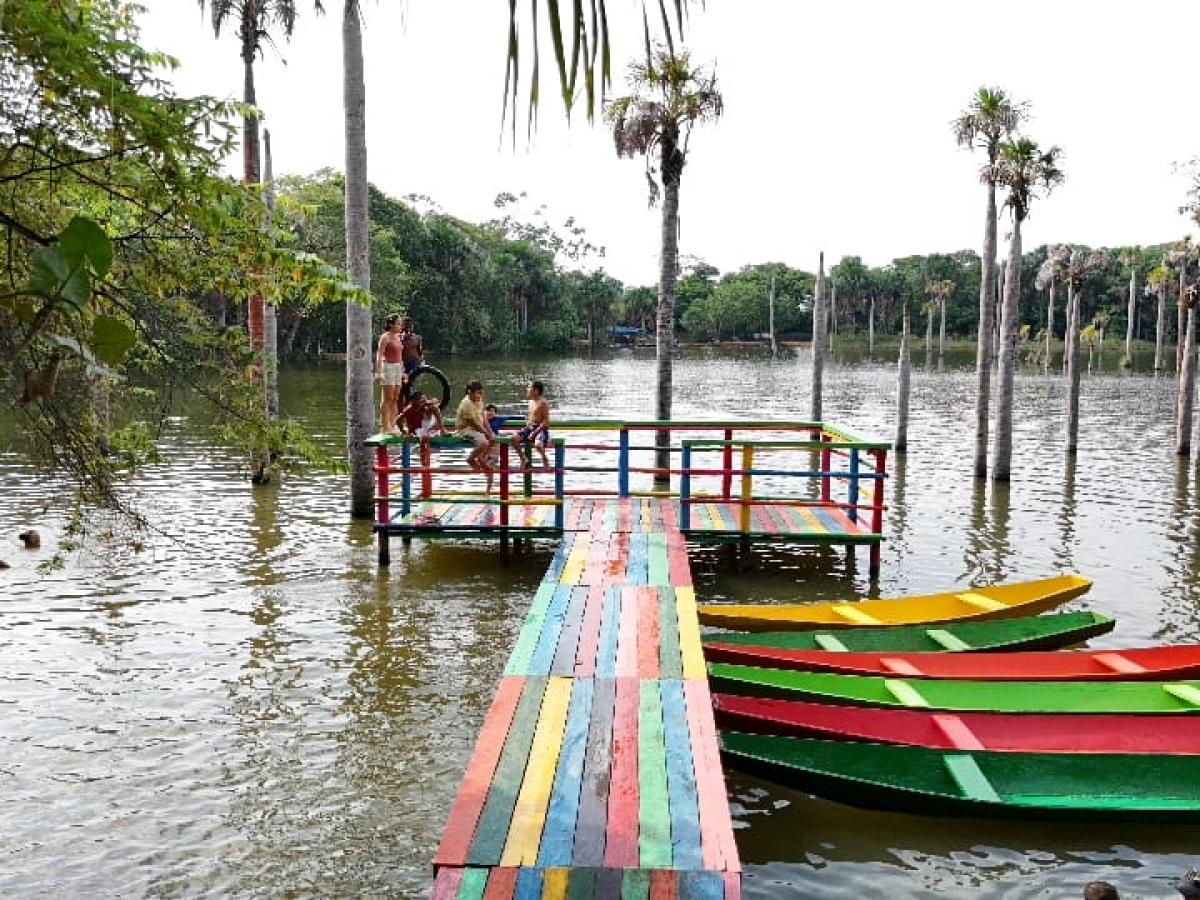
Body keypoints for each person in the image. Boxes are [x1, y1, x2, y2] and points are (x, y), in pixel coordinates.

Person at [455, 380, 496, 491]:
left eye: (480, 393)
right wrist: (487, 434)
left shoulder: (479, 401)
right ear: (470, 392)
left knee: (492, 442)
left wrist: (490, 432)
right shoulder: (466, 404)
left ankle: (482, 459)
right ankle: (472, 459)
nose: (480, 396)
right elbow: (475, 424)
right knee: (484, 442)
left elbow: (484, 419)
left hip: (479, 430)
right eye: (478, 393)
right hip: (467, 429)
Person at [374, 313, 406, 434]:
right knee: (388, 397)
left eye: (400, 323)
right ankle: (385, 426)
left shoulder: (398, 337)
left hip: (398, 367)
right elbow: (379, 355)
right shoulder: (385, 337)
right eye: (398, 323)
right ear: (390, 324)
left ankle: (394, 424)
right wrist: (378, 372)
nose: (400, 326)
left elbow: (400, 355)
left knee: (396, 397)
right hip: (388, 367)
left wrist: (403, 371)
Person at [512, 380, 551, 467]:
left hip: (541, 428)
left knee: (538, 445)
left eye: (529, 387)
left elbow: (546, 421)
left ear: (536, 390)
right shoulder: (531, 402)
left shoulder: (543, 402)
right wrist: (526, 430)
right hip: (530, 428)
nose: (527, 389)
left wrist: (535, 432)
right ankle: (523, 458)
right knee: (514, 438)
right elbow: (530, 419)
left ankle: (544, 457)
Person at [484, 404, 509, 468]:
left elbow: (510, 417)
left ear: (495, 413)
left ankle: (492, 461)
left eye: (492, 411)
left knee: (496, 440)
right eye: (488, 410)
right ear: (484, 412)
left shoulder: (498, 419)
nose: (490, 412)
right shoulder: (480, 420)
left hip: (494, 443)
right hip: (484, 443)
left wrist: (523, 418)